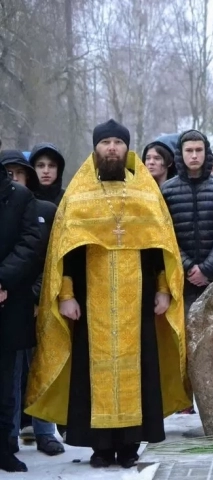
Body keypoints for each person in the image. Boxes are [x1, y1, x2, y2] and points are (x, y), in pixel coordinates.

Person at [25, 119, 192, 469]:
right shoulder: (79, 194)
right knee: (91, 371)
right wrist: (66, 294)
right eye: (106, 143)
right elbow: (64, 254)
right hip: (90, 301)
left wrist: (163, 290)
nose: (112, 148)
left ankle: (130, 445)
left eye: (118, 142)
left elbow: (158, 249)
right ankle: (99, 447)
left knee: (139, 368)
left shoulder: (146, 193)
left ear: (127, 148)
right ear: (96, 149)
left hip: (139, 300)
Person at [0, 151, 63, 457]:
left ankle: (45, 430)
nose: (13, 178)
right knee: (10, 374)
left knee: (42, 365)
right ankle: (9, 434)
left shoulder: (47, 209)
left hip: (37, 298)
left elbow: (46, 258)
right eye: (7, 172)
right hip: (11, 297)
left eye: (19, 173)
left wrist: (38, 294)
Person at [161, 130, 213, 318]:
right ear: (180, 153)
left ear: (206, 152)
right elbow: (165, 235)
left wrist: (207, 269)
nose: (194, 155)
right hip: (181, 278)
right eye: (189, 150)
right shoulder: (167, 190)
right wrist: (188, 267)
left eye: (198, 150)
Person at [0, 160, 41, 473]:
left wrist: (3, 280)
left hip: (8, 300)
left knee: (5, 381)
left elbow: (30, 243)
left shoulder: (20, 197)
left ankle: (3, 447)